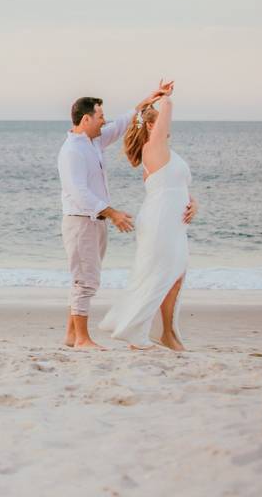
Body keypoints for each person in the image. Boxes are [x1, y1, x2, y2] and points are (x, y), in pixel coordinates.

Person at [57, 85, 167, 349]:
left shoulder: (93, 141)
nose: (104, 120)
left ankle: (72, 336)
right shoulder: (72, 151)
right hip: (81, 221)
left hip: (94, 222)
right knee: (85, 281)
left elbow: (120, 124)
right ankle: (82, 339)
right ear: (86, 119)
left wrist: (148, 99)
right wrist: (113, 213)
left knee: (85, 278)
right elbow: (79, 193)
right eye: (99, 116)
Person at [99, 82, 198, 350]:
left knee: (174, 276)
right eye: (162, 124)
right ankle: (138, 333)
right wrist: (165, 98)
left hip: (172, 222)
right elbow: (166, 111)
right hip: (160, 222)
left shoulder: (166, 153)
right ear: (152, 128)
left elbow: (177, 185)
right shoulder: (152, 148)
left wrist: (193, 203)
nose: (168, 129)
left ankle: (166, 333)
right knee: (160, 276)